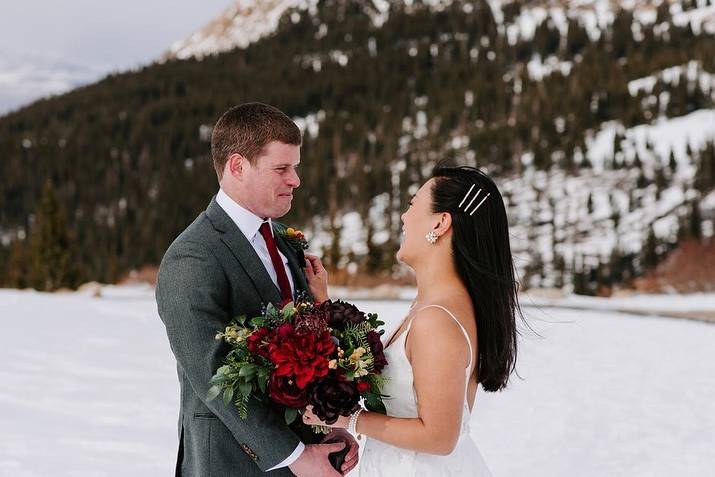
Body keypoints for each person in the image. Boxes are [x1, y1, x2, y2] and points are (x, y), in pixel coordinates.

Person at [156, 102, 358, 477]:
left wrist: (330, 428)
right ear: (237, 166)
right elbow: (212, 375)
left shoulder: (284, 241)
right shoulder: (193, 257)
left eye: (295, 167)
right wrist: (298, 457)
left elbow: (310, 355)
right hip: (232, 465)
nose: (295, 179)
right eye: (282, 168)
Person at [303, 165, 522, 476]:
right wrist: (324, 305)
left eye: (412, 204)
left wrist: (346, 419)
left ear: (441, 222)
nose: (404, 218)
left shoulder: (437, 319)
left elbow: (439, 436)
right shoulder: (434, 305)